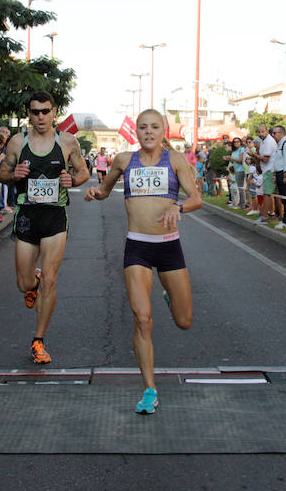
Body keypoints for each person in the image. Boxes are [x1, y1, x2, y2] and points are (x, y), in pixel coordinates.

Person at [84, 109, 201, 414]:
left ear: (164, 131)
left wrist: (179, 207)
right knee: (142, 318)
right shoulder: (124, 160)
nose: (148, 132)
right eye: (143, 127)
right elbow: (104, 191)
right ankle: (149, 389)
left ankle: (169, 295)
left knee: (184, 321)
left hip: (168, 247)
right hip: (137, 246)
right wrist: (95, 192)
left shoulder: (174, 160)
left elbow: (196, 198)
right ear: (135, 131)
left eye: (154, 127)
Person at [0, 91, 89, 364]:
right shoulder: (17, 142)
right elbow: (1, 173)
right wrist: (14, 175)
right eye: (35, 111)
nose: (40, 116)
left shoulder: (67, 142)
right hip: (26, 216)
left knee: (51, 279)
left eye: (45, 111)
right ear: (29, 113)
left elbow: (83, 172)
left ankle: (38, 340)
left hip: (54, 217)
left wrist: (73, 180)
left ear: (53, 112)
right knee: (23, 283)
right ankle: (32, 283)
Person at [247, 123, 277, 224]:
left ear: (267, 131)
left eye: (262, 131)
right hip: (267, 170)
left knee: (267, 194)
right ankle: (269, 213)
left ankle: (265, 216)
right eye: (259, 132)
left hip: (270, 170)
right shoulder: (263, 141)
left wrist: (253, 154)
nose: (261, 134)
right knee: (268, 194)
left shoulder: (268, 141)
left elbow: (265, 159)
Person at [223, 137, 247, 209]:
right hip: (236, 170)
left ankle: (242, 204)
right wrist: (229, 159)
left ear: (240, 142)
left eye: (238, 141)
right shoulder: (234, 151)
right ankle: (237, 202)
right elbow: (234, 161)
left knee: (240, 188)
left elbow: (240, 160)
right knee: (237, 188)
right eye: (235, 142)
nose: (236, 143)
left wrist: (232, 159)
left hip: (241, 170)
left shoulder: (241, 149)